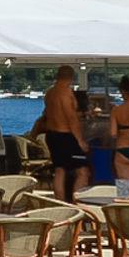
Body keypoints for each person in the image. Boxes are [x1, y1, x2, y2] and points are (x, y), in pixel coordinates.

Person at [37, 66, 86, 201]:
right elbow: (71, 118)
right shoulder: (65, 93)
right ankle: (77, 204)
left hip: (52, 135)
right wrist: (80, 140)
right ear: (71, 78)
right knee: (83, 172)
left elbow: (48, 114)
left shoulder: (50, 93)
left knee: (60, 170)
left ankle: (60, 203)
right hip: (65, 135)